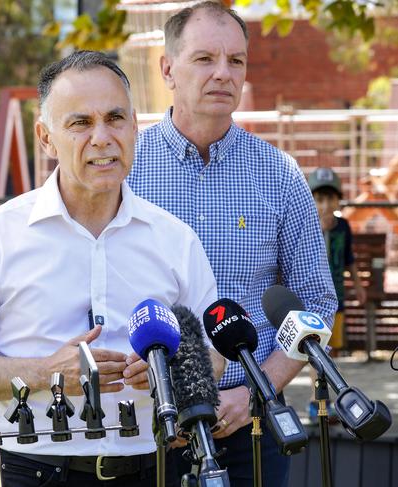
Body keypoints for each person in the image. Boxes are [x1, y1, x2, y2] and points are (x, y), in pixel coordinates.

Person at [0, 50, 225, 487]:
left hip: (153, 467)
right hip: (32, 470)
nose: (102, 137)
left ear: (135, 127)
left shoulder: (175, 240)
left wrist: (173, 372)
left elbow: (213, 353)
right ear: (46, 138)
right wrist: (46, 372)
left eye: (115, 118)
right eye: (80, 123)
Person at [127, 3, 338, 486]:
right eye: (204, 59)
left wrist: (257, 389)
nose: (223, 73)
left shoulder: (279, 175)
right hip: (145, 425)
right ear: (167, 69)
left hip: (252, 426)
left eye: (236, 61)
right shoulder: (125, 169)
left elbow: (317, 304)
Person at [306, 167, 366, 421]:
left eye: (330, 199)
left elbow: (349, 259)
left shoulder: (343, 227)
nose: (325, 205)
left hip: (337, 300)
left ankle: (331, 399)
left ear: (338, 200)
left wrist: (359, 286)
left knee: (333, 350)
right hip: (311, 300)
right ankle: (316, 401)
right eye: (319, 199)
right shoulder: (307, 227)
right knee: (318, 349)